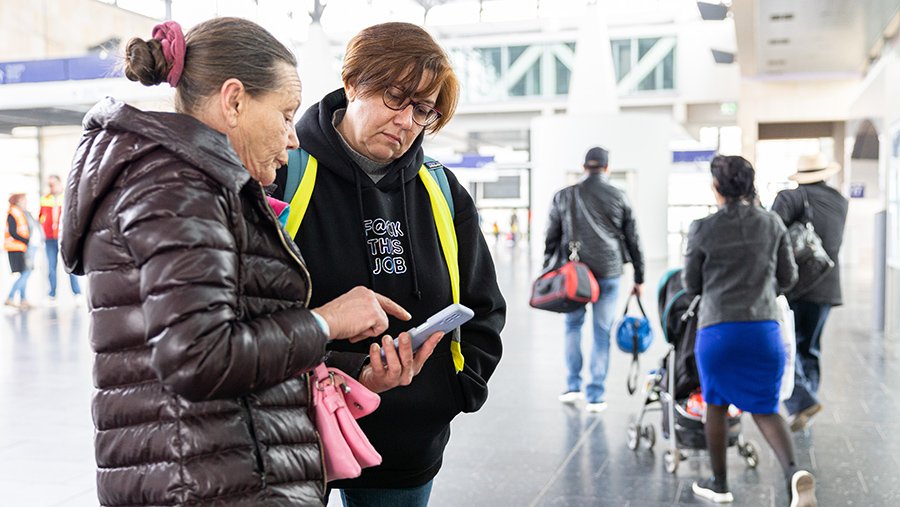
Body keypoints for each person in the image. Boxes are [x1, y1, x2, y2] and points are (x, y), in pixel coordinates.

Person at [60, 18, 410, 507]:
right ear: (234, 101)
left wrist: (353, 366)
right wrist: (326, 321)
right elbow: (198, 356)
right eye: (285, 115)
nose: (293, 138)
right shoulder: (176, 189)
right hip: (205, 483)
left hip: (216, 471)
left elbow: (231, 336)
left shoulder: (195, 185)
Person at [271, 22, 506, 506]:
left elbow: (483, 305)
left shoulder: (441, 190)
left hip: (403, 440)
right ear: (352, 83)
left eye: (422, 109)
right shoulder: (281, 173)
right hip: (292, 426)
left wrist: (456, 390)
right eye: (395, 97)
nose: (406, 120)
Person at [683, 155, 816, 506]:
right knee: (766, 407)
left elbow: (691, 283)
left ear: (717, 187)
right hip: (763, 329)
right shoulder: (771, 223)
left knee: (715, 403)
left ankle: (719, 484)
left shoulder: (702, 227)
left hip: (718, 331)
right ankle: (793, 474)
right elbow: (788, 277)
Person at [542, 146, 645, 412]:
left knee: (572, 326)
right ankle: (596, 395)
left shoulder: (564, 195)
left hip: (575, 275)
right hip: (609, 272)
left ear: (584, 167)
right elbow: (633, 239)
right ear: (607, 168)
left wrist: (547, 270)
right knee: (602, 332)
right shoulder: (619, 195)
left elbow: (551, 237)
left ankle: (572, 386)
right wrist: (639, 277)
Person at [772, 153, 848, 432]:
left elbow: (771, 232)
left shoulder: (790, 198)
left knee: (785, 345)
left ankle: (802, 402)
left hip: (795, 284)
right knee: (810, 347)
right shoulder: (840, 201)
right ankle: (807, 405)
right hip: (827, 283)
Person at [39, 174, 82, 300]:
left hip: (64, 238)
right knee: (51, 266)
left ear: (59, 183)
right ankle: (52, 293)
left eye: (53, 184)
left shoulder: (67, 197)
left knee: (70, 264)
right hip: (50, 239)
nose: (51, 187)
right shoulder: (45, 199)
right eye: (49, 185)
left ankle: (77, 292)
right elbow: (41, 217)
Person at [5, 193, 33, 309]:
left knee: (24, 272)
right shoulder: (13, 213)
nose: (25, 202)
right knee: (26, 272)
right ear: (17, 201)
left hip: (20, 247)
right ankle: (10, 297)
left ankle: (23, 299)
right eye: (23, 200)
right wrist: (25, 240)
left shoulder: (20, 212)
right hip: (15, 247)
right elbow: (13, 231)